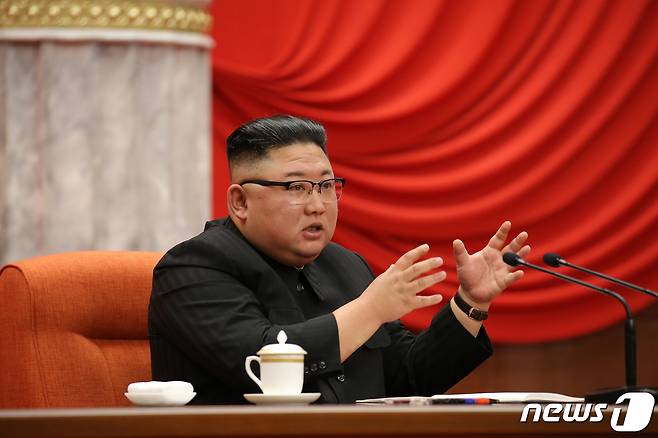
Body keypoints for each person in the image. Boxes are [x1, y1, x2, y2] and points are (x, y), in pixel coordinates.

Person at [148, 115, 531, 404]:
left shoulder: (346, 265)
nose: (318, 205)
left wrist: (470, 304)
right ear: (240, 202)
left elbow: (408, 379)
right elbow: (260, 363)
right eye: (297, 187)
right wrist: (369, 309)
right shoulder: (193, 268)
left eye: (327, 186)